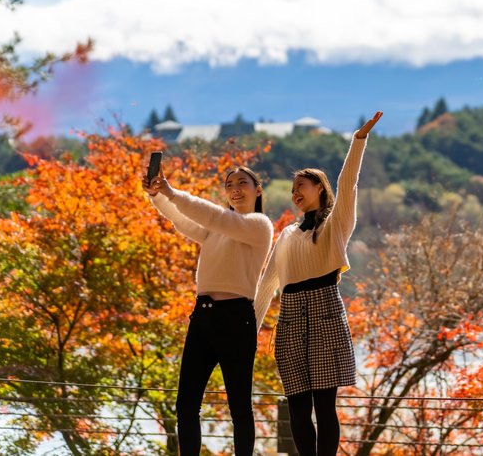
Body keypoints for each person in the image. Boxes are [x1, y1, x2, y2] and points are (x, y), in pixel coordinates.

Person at [254, 111, 382, 456]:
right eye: (293, 187)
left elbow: (348, 184)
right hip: (291, 316)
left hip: (325, 307)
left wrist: (358, 141)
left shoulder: (335, 225)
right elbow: (267, 284)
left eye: (302, 186)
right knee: (296, 405)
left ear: (319, 189)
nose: (295, 192)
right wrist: (248, 328)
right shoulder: (287, 234)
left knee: (324, 406)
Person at [144, 163, 273, 456]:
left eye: (242, 183)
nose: (235, 189)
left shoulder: (258, 225)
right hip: (202, 316)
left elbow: (214, 216)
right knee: (186, 404)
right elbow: (181, 219)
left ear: (258, 190)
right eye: (229, 185)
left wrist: (171, 191)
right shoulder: (216, 230)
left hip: (236, 318)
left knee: (239, 405)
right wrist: (157, 195)